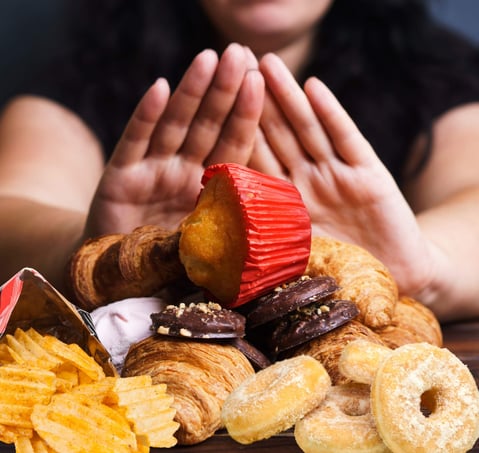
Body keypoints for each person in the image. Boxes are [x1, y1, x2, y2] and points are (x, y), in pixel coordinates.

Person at [1, 0, 479, 322]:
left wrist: (424, 264)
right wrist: (106, 257)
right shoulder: (89, 72)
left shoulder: (434, 69)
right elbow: (12, 203)